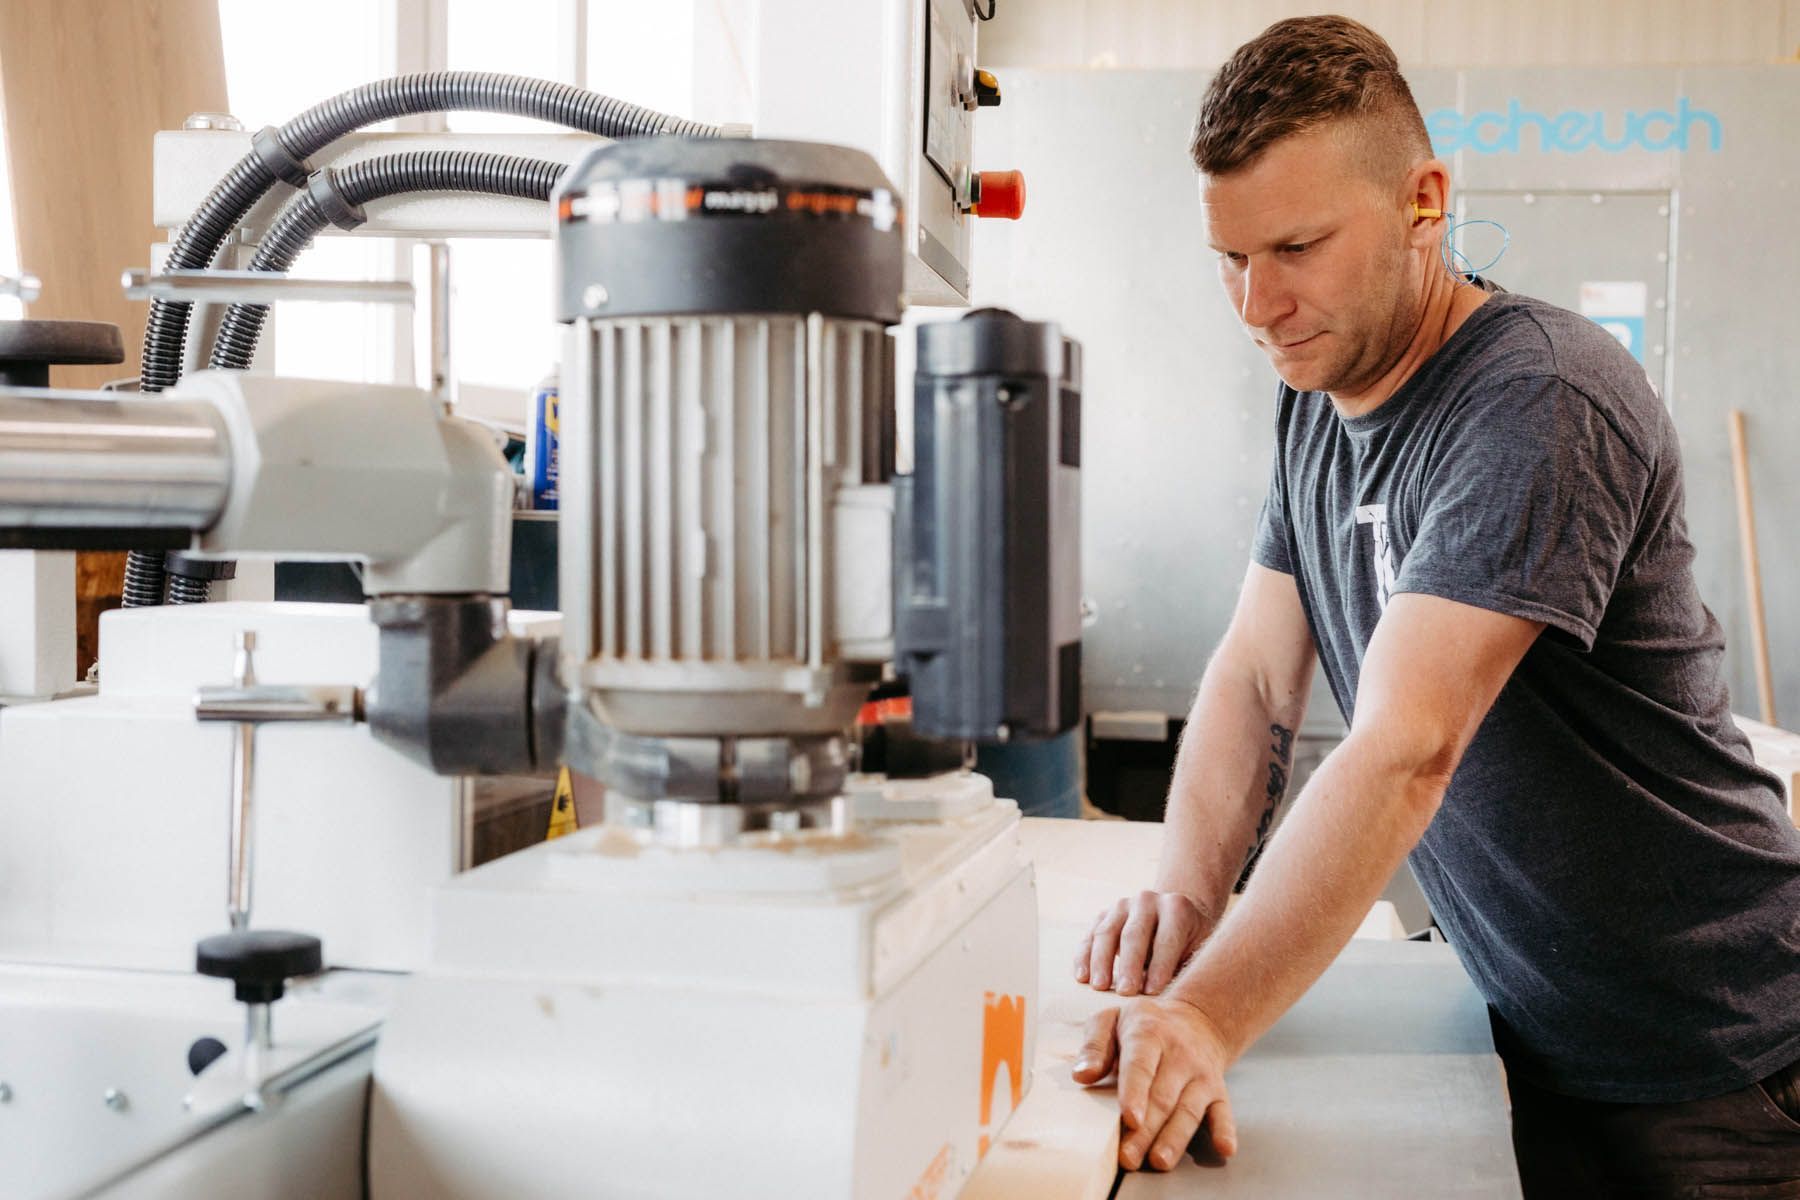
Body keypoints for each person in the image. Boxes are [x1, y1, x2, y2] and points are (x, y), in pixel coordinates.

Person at [1067, 15, 1800, 1196]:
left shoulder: (1537, 400)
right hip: (1523, 1017)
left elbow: (1407, 748)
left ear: (1424, 200)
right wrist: (1187, 907)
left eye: (1297, 246)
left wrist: (1205, 1019)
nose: (1256, 304)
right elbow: (1258, 671)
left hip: (1704, 1057)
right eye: (1230, 256)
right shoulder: (1316, 391)